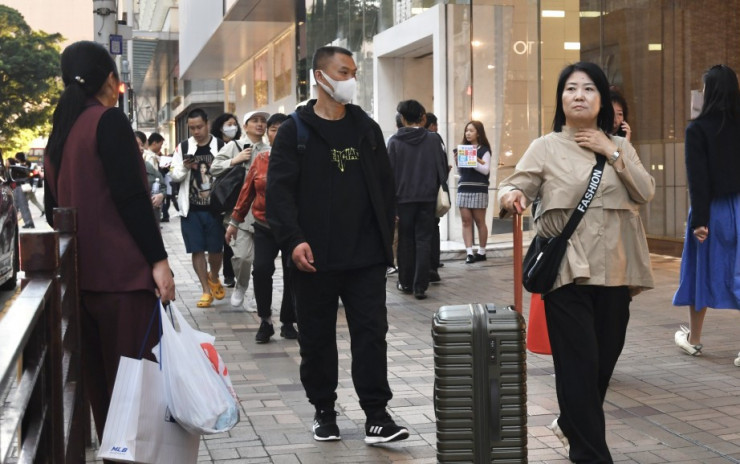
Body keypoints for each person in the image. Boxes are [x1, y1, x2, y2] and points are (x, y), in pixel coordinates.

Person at [499, 61, 654, 463]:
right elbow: (515, 183)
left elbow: (645, 191)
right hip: (567, 272)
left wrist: (613, 150)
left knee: (602, 363)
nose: (579, 95)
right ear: (561, 99)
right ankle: (591, 455)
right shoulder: (545, 146)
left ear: (601, 99)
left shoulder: (620, 146)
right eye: (570, 88)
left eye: (588, 89)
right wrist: (511, 197)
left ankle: (572, 422)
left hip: (617, 270)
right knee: (579, 365)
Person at [265, 45, 409, 445]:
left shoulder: (366, 127)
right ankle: (323, 410)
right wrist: (292, 241)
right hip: (313, 258)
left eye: (353, 72)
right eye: (343, 72)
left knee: (371, 333)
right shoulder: (295, 130)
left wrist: (387, 240)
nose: (351, 80)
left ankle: (377, 415)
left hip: (364, 256)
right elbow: (279, 194)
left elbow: (384, 187)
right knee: (316, 337)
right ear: (320, 77)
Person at [42, 40, 175, 444]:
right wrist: (159, 259)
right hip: (123, 280)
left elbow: (52, 212)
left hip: (79, 281)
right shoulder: (108, 121)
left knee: (104, 392)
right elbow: (131, 197)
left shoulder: (58, 135)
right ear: (110, 80)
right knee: (138, 392)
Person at [672, 64, 740, 366]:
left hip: (711, 210)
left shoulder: (697, 129)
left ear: (709, 91)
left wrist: (699, 221)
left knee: (700, 272)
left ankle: (695, 339)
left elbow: (697, 179)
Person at [226, 113, 298, 343]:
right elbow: (246, 193)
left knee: (292, 273)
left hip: (292, 229)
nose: (277, 132)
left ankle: (288, 321)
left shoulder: (301, 159)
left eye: (283, 128)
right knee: (262, 269)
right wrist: (234, 222)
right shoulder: (260, 159)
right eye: (273, 128)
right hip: (264, 226)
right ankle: (265, 320)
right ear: (268, 133)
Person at [387, 100, 445, 300]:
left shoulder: (394, 142)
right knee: (423, 240)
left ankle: (406, 282)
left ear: (402, 118)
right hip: (427, 197)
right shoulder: (433, 139)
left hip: (403, 200)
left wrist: (391, 204)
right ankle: (421, 285)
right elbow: (442, 169)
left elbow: (389, 175)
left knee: (405, 240)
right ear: (422, 117)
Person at [212, 110, 269, 307]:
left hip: (263, 213)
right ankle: (241, 285)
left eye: (263, 121)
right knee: (243, 256)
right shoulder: (233, 146)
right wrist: (234, 160)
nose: (260, 124)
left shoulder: (270, 149)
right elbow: (214, 167)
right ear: (245, 126)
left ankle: (257, 296)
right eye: (255, 121)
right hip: (238, 213)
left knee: (261, 263)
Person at [171, 108, 226, 308]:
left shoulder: (220, 145)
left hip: (215, 209)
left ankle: (214, 275)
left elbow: (229, 172)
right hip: (191, 209)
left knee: (216, 250)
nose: (196, 131)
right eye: (192, 128)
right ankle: (205, 290)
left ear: (207, 124)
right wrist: (185, 167)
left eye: (199, 127)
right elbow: (175, 176)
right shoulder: (183, 147)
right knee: (196, 250)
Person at [210, 113, 241, 287]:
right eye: (229, 124)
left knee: (232, 237)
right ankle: (225, 273)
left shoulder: (240, 144)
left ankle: (231, 273)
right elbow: (214, 169)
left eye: (234, 124)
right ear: (220, 126)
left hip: (236, 195)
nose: (232, 127)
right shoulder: (217, 145)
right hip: (221, 195)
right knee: (225, 237)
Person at [455, 120, 492, 263]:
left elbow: (485, 170)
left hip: (479, 188)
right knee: (466, 221)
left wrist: (470, 160)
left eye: (471, 130)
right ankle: (469, 252)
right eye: (466, 131)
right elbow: (462, 171)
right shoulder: (463, 149)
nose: (468, 133)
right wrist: (459, 162)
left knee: (479, 221)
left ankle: (482, 252)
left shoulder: (484, 150)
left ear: (478, 132)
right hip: (463, 187)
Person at [425, 112, 449, 280]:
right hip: (433, 191)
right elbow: (442, 164)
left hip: (415, 194)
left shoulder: (407, 139)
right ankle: (433, 264)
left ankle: (427, 266)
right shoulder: (435, 140)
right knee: (433, 228)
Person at [148, 132, 174, 222]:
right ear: (154, 143)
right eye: (161, 144)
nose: (161, 147)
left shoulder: (154, 157)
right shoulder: (149, 157)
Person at [15, 152, 44, 217]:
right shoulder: (21, 164)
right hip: (27, 185)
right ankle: (43, 210)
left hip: (27, 185)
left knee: (23, 201)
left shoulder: (25, 164)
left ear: (18, 158)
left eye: (16, 157)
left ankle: (22, 214)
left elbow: (27, 174)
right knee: (33, 200)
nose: (15, 159)